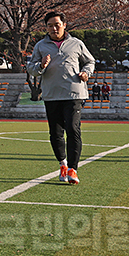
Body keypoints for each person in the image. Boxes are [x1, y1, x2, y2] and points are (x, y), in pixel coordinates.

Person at [26, 11, 95, 186]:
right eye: (50, 25)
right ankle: (63, 164)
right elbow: (31, 69)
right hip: (51, 95)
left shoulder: (76, 43)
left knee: (73, 129)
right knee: (55, 133)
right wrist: (41, 65)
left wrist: (86, 73)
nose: (54, 28)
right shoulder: (41, 46)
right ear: (46, 27)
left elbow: (90, 61)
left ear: (64, 25)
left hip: (74, 93)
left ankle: (73, 169)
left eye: (57, 24)